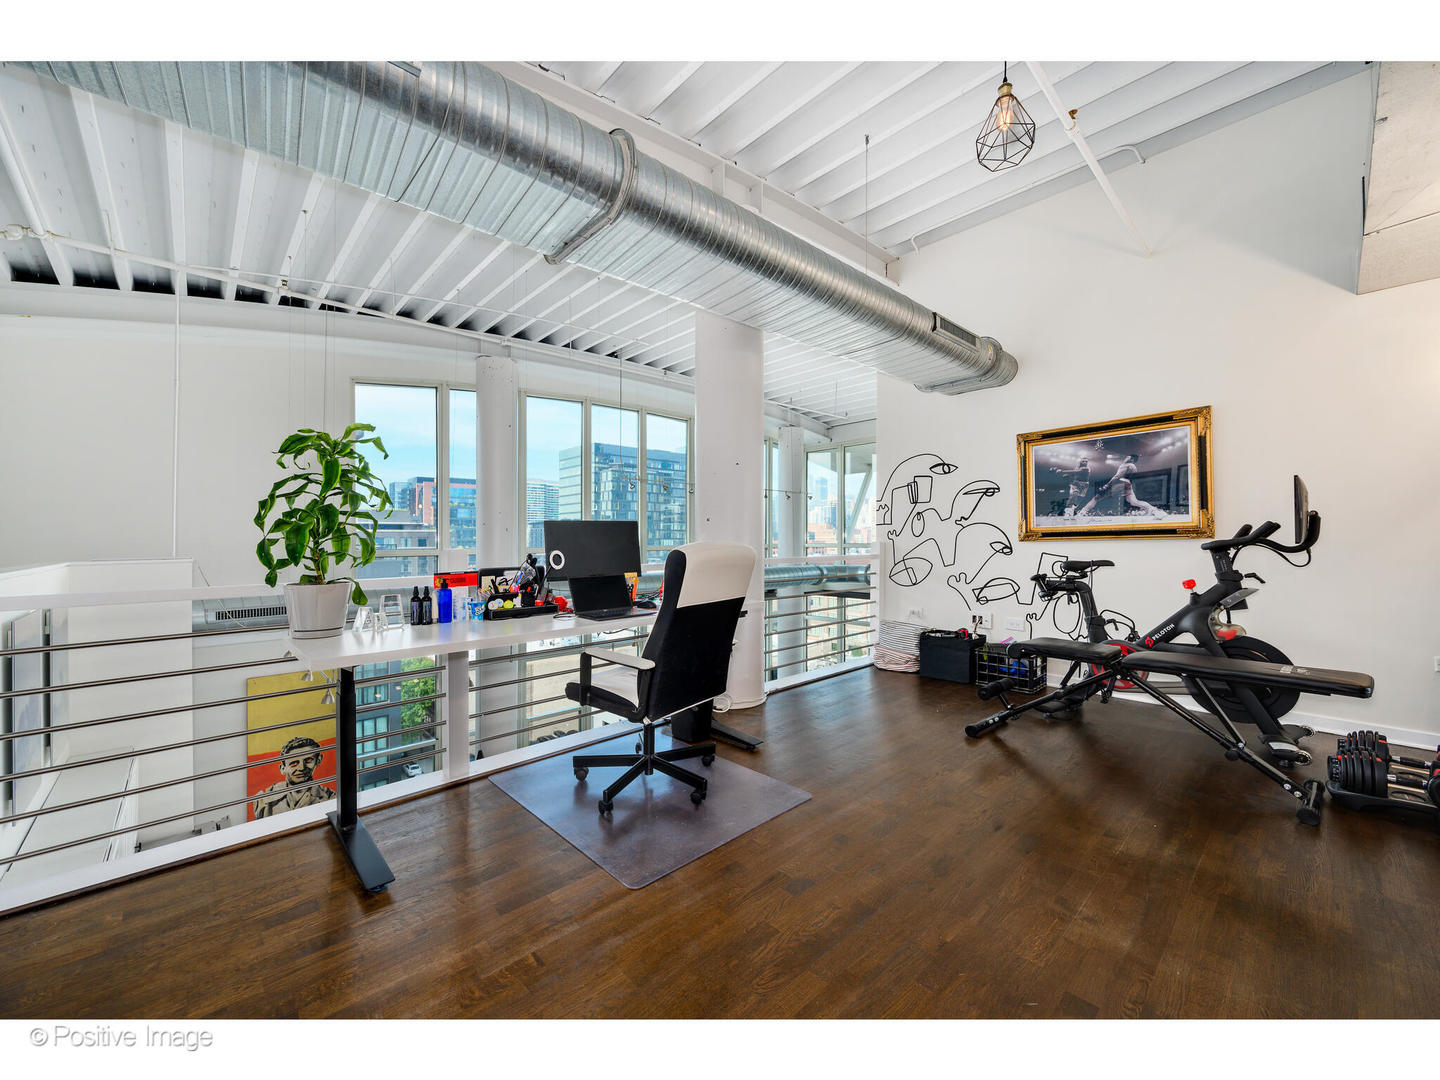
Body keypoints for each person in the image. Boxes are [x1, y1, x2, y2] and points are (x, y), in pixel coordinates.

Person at [252, 735, 336, 819]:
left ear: (318, 760)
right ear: (282, 768)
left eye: (308, 760)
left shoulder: (330, 798)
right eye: (293, 763)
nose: (301, 768)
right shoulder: (263, 800)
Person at [1077, 454, 1163, 518]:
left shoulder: (1127, 465)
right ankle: (1154, 510)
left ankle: (1083, 512)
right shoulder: (1132, 466)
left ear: (1132, 459)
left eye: (1128, 457)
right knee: (1133, 501)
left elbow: (1117, 476)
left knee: (1096, 498)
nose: (1126, 457)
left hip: (1120, 483)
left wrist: (1106, 485)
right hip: (1127, 484)